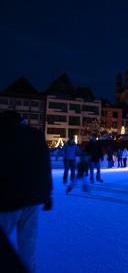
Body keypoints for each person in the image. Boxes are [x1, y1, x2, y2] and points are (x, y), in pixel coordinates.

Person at [0, 111, 53, 272]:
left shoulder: (4, 134)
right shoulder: (34, 135)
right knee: (28, 243)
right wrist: (46, 194)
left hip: (8, 199)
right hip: (32, 198)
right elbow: (44, 165)